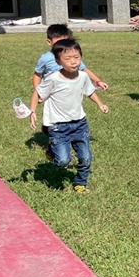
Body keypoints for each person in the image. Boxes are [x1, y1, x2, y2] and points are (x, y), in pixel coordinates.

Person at [28, 39, 109, 193]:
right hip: (58, 126)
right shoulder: (53, 79)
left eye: (76, 57)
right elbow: (37, 92)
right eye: (68, 58)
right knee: (63, 161)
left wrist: (100, 104)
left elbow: (89, 91)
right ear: (58, 62)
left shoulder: (83, 76)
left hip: (80, 124)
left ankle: (80, 183)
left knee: (86, 158)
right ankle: (52, 150)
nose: (73, 61)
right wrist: (32, 111)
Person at [31, 24, 108, 158]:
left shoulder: (72, 57)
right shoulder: (46, 58)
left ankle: (64, 139)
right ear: (49, 42)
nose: (64, 45)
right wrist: (38, 92)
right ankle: (54, 140)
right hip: (52, 92)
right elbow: (37, 75)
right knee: (52, 120)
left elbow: (84, 70)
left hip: (70, 90)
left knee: (68, 116)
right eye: (59, 41)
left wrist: (98, 81)